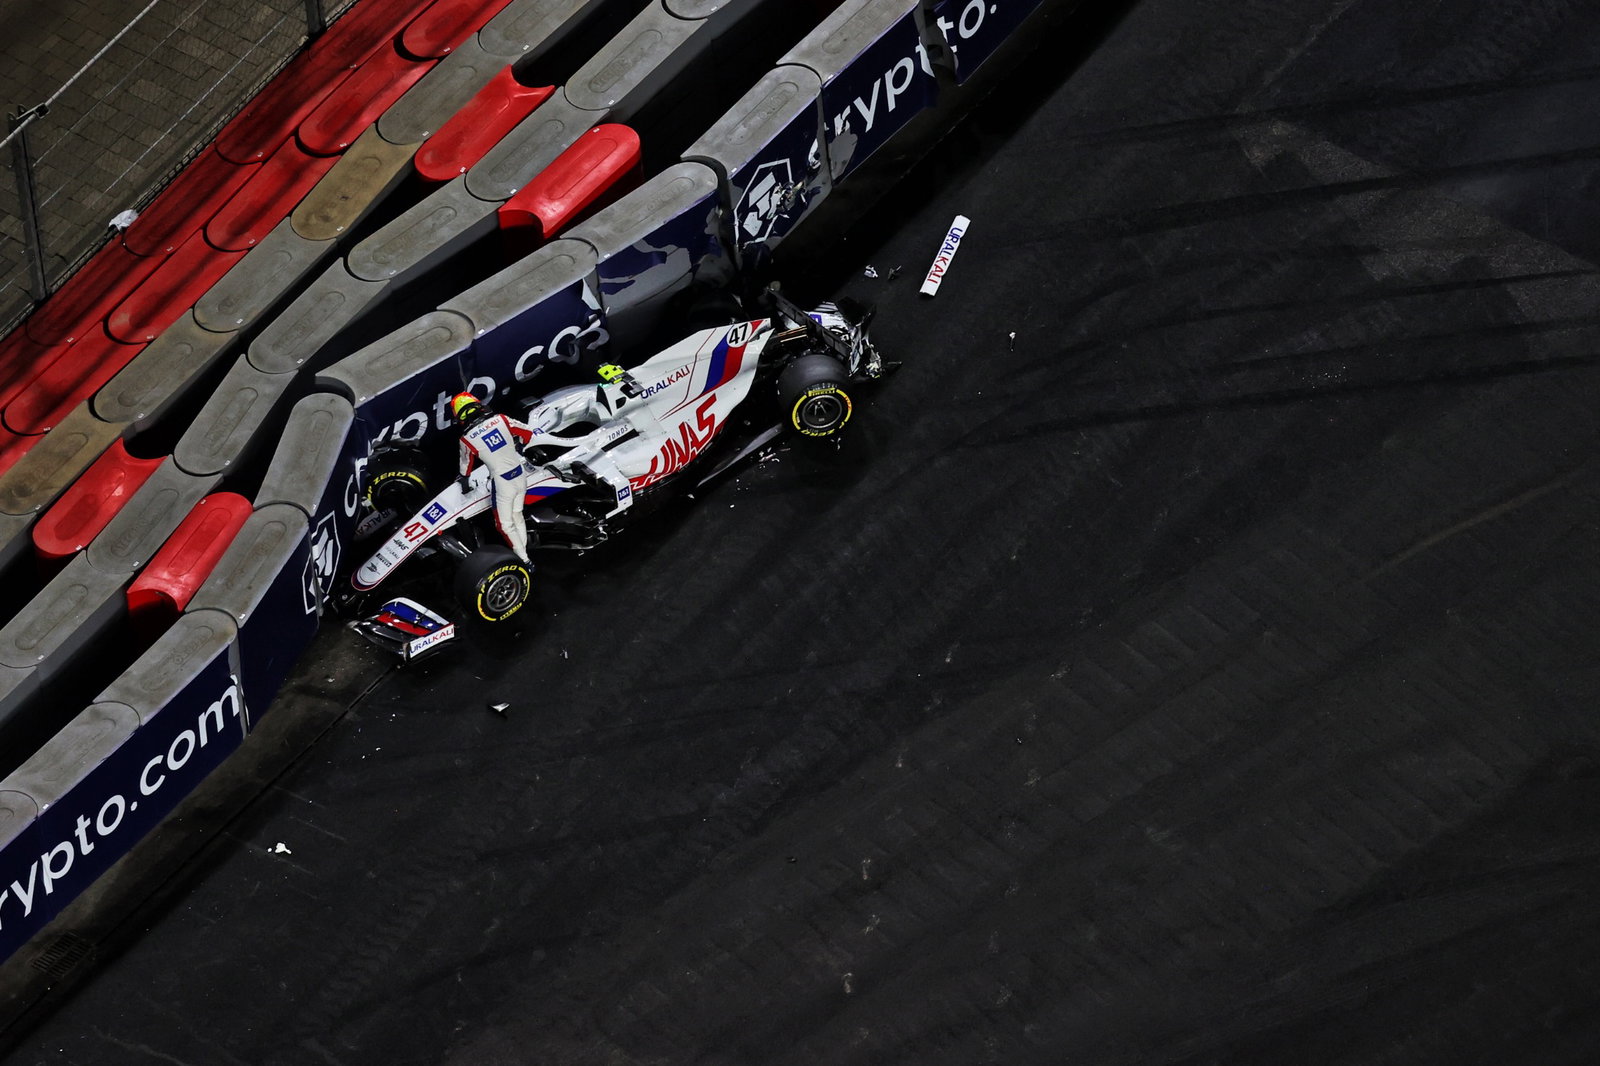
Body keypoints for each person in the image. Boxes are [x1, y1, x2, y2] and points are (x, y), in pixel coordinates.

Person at [451, 392, 537, 563]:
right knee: (517, 514)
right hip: (520, 474)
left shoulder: (466, 439)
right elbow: (528, 433)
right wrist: (519, 446)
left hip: (502, 483)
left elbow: (465, 468)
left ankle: (525, 561)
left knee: (504, 525)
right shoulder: (502, 419)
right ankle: (524, 549)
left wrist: (463, 481)